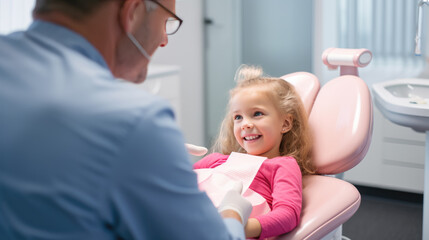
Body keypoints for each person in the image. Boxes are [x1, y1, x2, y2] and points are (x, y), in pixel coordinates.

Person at [0, 0, 252, 239]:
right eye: (166, 22)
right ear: (132, 11)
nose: (164, 40)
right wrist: (232, 211)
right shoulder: (133, 121)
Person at [193, 65, 315, 239]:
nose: (245, 124)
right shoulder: (215, 161)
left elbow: (288, 215)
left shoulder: (281, 166)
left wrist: (240, 227)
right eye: (238, 117)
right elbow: (173, 184)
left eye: (257, 114)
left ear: (285, 124)